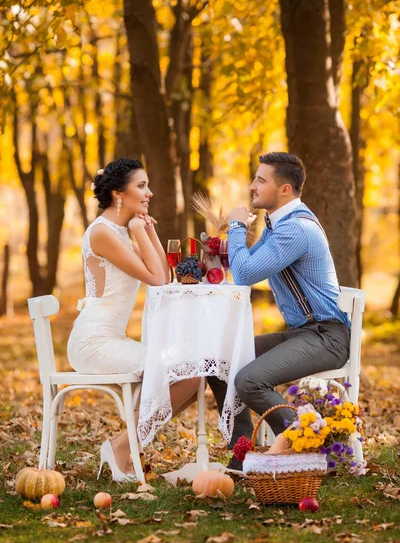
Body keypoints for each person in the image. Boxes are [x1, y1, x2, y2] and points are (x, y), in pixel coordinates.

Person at [208, 151, 350, 470]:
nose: (252, 186)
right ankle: (242, 452)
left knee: (249, 380)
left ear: (284, 190)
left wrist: (236, 225)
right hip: (304, 333)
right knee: (218, 362)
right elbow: (244, 266)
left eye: (261, 180)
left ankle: (304, 446)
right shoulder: (278, 225)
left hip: (328, 337)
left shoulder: (295, 229)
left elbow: (244, 274)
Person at [67, 158, 200, 482]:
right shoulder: (102, 233)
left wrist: (148, 231)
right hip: (93, 343)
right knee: (187, 373)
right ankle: (122, 449)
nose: (150, 192)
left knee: (195, 375)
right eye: (141, 186)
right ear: (118, 194)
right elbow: (156, 279)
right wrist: (140, 229)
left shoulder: (120, 232)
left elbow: (164, 275)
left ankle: (121, 446)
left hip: (112, 339)